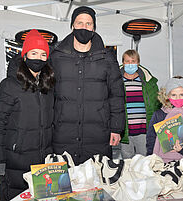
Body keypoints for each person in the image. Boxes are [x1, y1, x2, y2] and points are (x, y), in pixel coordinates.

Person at [50, 6, 125, 165]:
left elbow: (116, 95)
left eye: (88, 24)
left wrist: (117, 128)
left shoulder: (107, 58)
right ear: (72, 26)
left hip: (98, 134)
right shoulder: (57, 57)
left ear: (94, 27)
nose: (84, 27)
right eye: (79, 23)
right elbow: (47, 94)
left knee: (97, 183)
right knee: (66, 185)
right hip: (63, 133)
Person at [0, 29, 55, 200]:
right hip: (16, 164)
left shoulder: (48, 86)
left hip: (43, 163)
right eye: (33, 53)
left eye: (42, 54)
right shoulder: (9, 85)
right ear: (24, 56)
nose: (38, 58)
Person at [119, 49, 160, 159]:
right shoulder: (116, 82)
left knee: (144, 162)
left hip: (143, 130)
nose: (130, 64)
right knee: (127, 164)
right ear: (123, 63)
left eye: (133, 61)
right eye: (127, 61)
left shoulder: (148, 82)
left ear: (138, 63)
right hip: (125, 131)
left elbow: (157, 104)